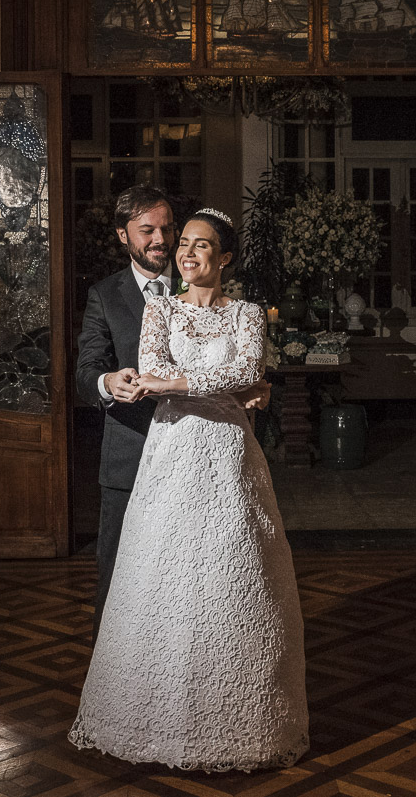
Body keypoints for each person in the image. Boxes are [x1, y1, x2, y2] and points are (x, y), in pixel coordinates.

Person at [68, 207, 309, 772]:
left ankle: (237, 717)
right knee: (161, 575)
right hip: (170, 453)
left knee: (233, 571)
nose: (185, 252)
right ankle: (150, 713)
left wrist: (194, 384)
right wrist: (218, 387)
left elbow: (242, 368)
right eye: (185, 244)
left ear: (224, 258)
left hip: (228, 454)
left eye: (201, 245)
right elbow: (153, 373)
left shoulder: (248, 313)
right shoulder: (159, 309)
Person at [75, 186, 267, 640]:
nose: (162, 240)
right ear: (124, 235)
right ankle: (116, 682)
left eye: (169, 230)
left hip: (208, 459)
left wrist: (250, 388)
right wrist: (108, 383)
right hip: (132, 453)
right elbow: (85, 371)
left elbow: (241, 365)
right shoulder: (106, 295)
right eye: (148, 231)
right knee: (122, 580)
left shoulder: (214, 295)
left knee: (204, 576)